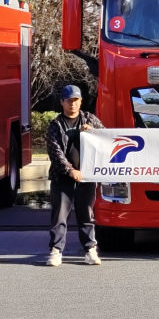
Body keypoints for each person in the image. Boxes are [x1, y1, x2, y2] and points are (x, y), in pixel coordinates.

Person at [44, 85, 104, 266]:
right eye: (69, 101)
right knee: (59, 216)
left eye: (76, 100)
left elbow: (106, 137)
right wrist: (70, 171)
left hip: (86, 177)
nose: (73, 104)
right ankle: (56, 251)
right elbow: (55, 153)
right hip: (62, 178)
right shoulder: (55, 126)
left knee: (87, 214)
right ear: (62, 102)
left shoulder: (89, 119)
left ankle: (90, 250)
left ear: (81, 101)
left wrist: (93, 131)